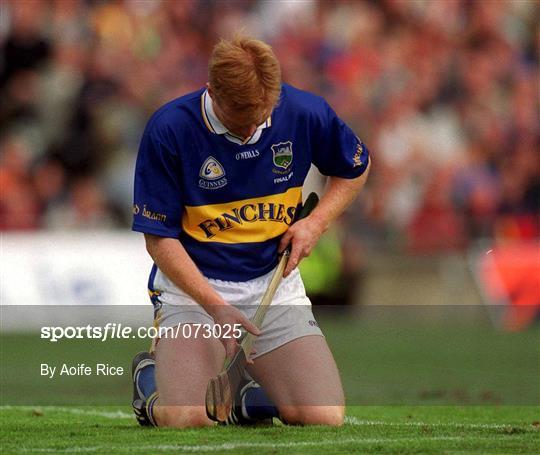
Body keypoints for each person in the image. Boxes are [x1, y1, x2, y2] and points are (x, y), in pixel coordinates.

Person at [131, 35, 370, 428]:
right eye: (240, 121)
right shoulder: (169, 128)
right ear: (212, 92)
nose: (251, 131)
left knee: (322, 416)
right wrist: (215, 306)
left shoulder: (304, 112)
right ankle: (149, 389)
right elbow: (159, 239)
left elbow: (355, 168)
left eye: (261, 117)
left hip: (271, 285)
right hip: (195, 291)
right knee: (189, 418)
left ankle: (246, 399)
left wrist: (315, 222)